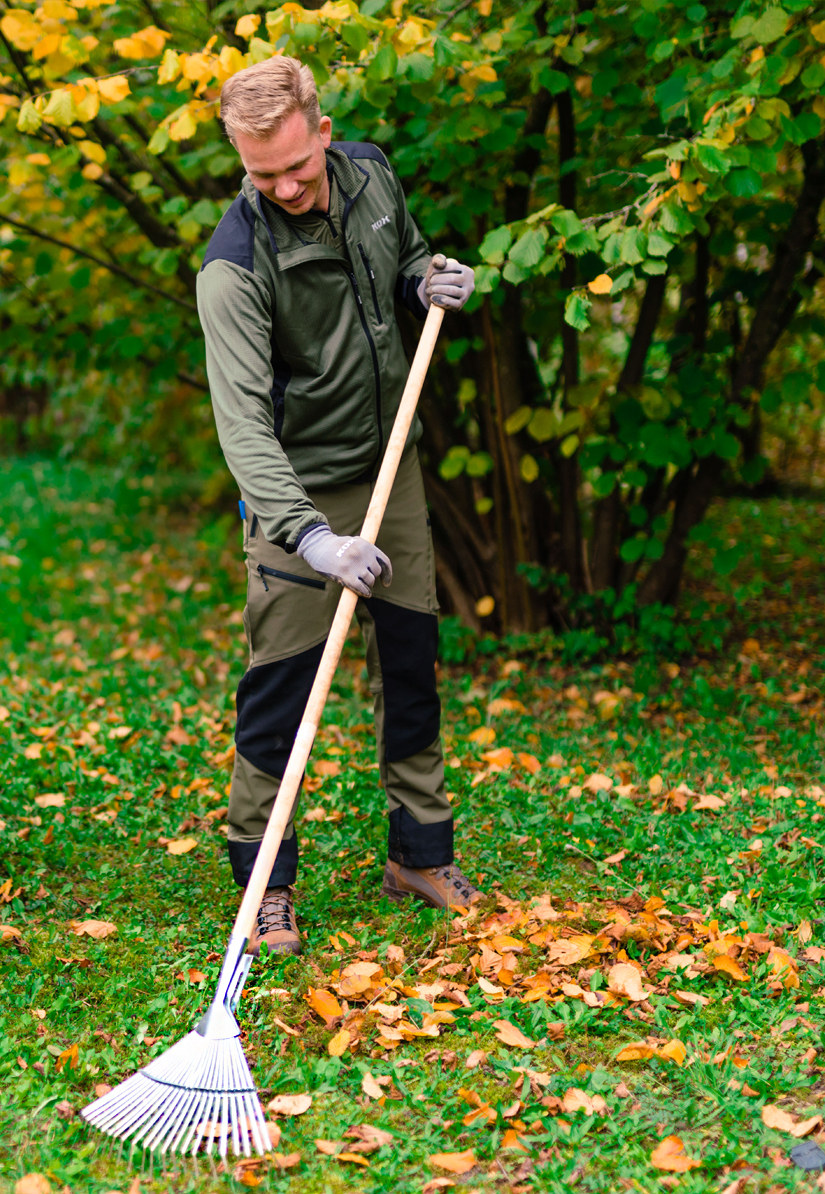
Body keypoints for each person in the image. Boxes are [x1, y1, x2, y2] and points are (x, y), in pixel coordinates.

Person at [197, 56, 483, 956]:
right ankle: (265, 883)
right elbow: (243, 431)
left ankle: (419, 855)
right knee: (282, 686)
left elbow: (396, 263)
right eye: (260, 174)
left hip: (387, 461)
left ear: (322, 131)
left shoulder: (370, 173)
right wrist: (313, 539)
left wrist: (424, 280)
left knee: (410, 659)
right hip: (295, 488)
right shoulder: (233, 266)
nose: (283, 187)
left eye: (296, 166)